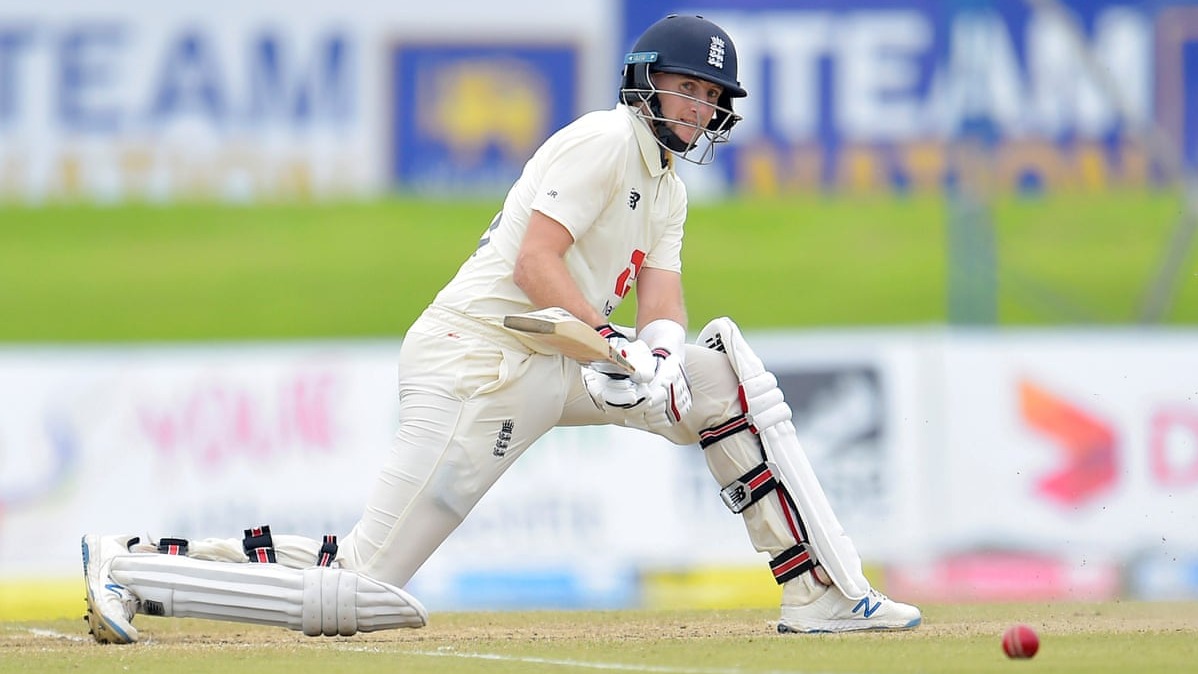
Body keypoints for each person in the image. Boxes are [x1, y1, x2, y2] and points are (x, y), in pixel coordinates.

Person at [81, 14, 921, 643]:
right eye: (685, 87)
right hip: (476, 362)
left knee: (714, 378)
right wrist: (620, 342)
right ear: (643, 82)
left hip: (558, 362)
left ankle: (818, 589)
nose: (697, 107)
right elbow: (535, 264)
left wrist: (661, 352)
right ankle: (130, 569)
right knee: (364, 592)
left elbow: (663, 296)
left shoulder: (668, 184)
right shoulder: (603, 141)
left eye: (710, 96)